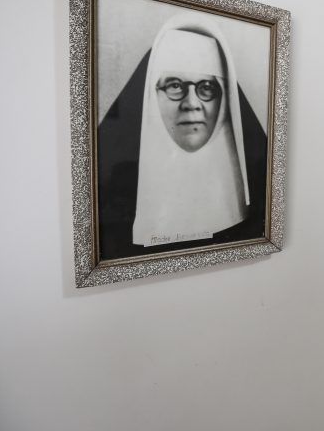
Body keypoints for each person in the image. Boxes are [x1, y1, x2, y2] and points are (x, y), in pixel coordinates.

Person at [96, 13, 267, 261]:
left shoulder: (259, 210)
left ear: (226, 98)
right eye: (175, 85)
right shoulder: (115, 191)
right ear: (150, 95)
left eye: (207, 88)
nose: (191, 104)